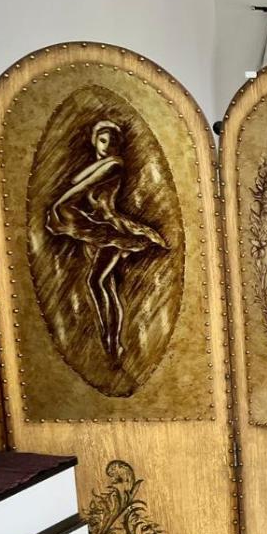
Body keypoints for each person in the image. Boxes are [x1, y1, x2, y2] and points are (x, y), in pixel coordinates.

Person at [45, 120, 168, 361]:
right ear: (95, 141)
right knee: (104, 284)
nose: (106, 146)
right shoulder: (103, 163)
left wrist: (60, 206)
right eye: (102, 140)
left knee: (97, 281)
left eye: (112, 142)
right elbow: (76, 179)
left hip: (109, 227)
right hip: (97, 225)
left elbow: (80, 186)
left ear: (118, 146)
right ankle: (111, 340)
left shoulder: (114, 164)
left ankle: (112, 340)